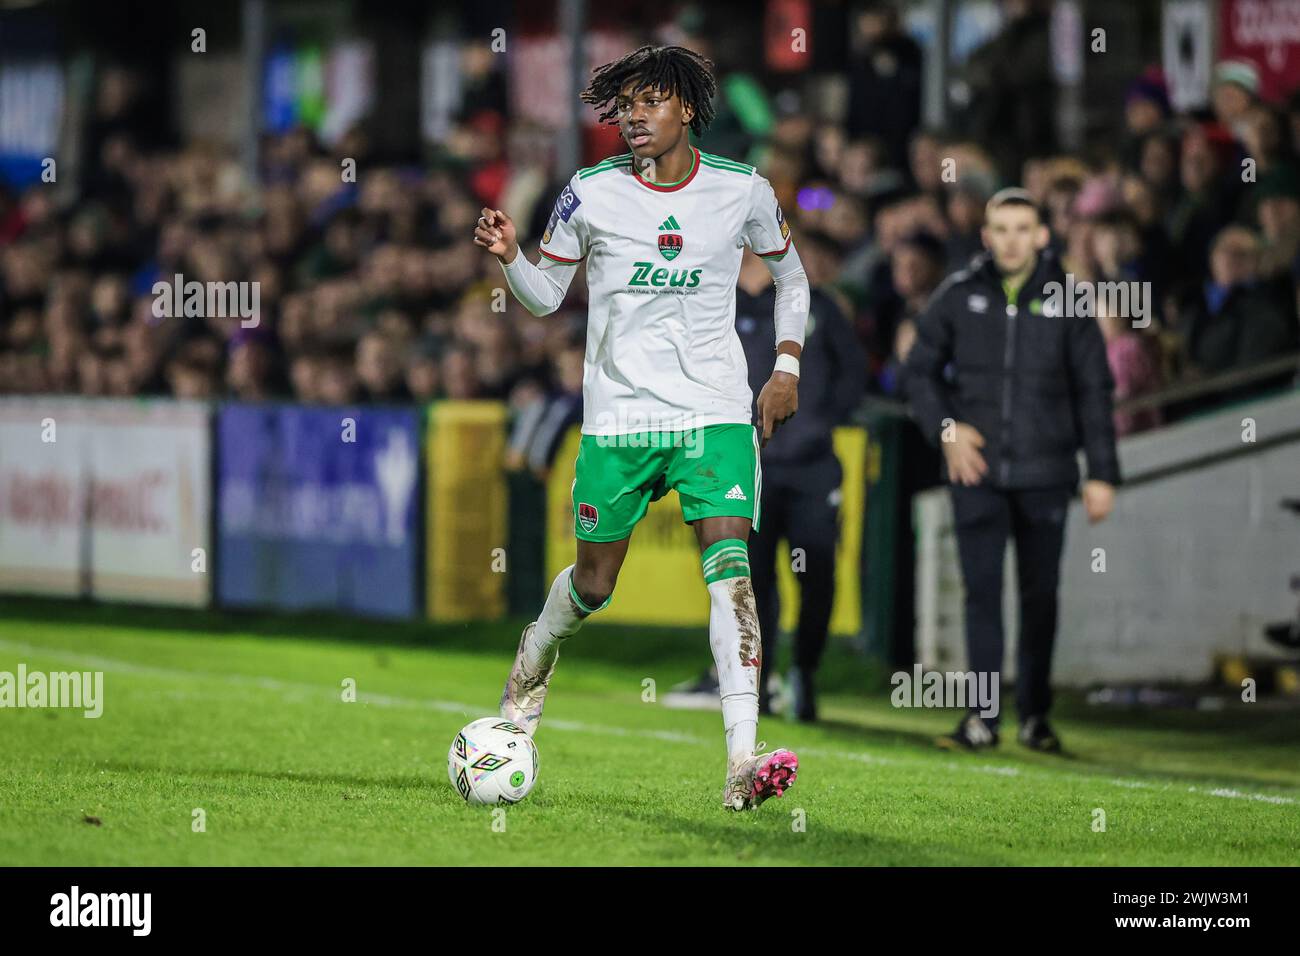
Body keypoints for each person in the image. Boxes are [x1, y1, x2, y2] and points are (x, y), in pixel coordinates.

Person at [472, 45, 810, 811]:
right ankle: (535, 654)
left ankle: (741, 761)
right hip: (619, 418)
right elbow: (545, 297)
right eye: (623, 105)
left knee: (731, 574)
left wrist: (785, 366)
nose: (632, 117)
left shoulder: (741, 190)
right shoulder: (589, 192)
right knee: (595, 583)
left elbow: (791, 276)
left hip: (714, 412)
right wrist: (509, 258)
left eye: (649, 101)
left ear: (686, 109)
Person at [904, 187, 1120, 753]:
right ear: (986, 236)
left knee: (1040, 596)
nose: (1012, 240)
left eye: (1023, 228)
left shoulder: (1069, 300)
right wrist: (946, 430)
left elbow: (1095, 390)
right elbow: (919, 373)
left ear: (1042, 236)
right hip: (976, 472)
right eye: (1001, 229)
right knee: (981, 594)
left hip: (1047, 472)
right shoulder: (957, 294)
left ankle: (1035, 717)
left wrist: (1103, 472)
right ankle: (983, 718)